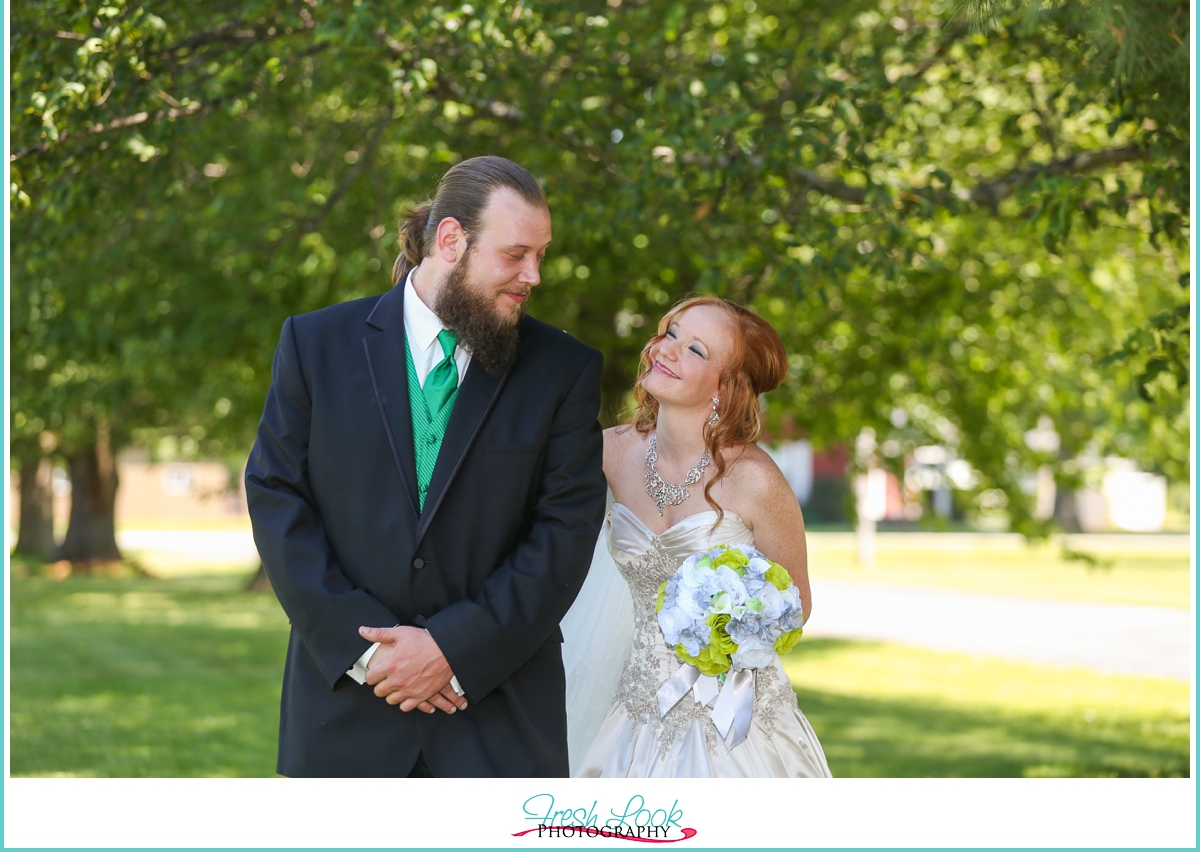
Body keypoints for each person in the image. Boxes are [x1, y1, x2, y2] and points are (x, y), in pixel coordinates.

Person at [245, 156, 607, 779]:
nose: (534, 276)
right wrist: (369, 656)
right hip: (346, 711)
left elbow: (565, 531)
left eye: (541, 255)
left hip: (497, 718)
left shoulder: (563, 369)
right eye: (517, 254)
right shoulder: (315, 345)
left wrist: (452, 650)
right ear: (450, 240)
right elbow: (277, 497)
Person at [560, 297, 831, 778]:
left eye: (695, 350)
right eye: (670, 333)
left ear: (724, 389)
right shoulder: (608, 454)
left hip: (737, 725)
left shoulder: (756, 480)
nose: (665, 350)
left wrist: (728, 628)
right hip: (633, 710)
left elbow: (796, 604)